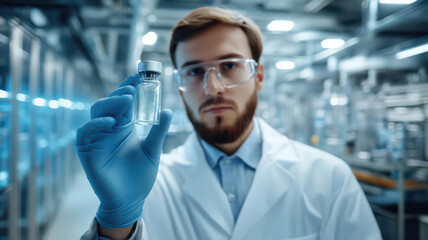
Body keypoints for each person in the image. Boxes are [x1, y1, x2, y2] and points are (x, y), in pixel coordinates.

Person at [78, 6, 382, 240]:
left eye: (229, 66)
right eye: (195, 71)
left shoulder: (329, 178)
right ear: (178, 83)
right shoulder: (147, 185)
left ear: (259, 76)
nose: (213, 88)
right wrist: (116, 223)